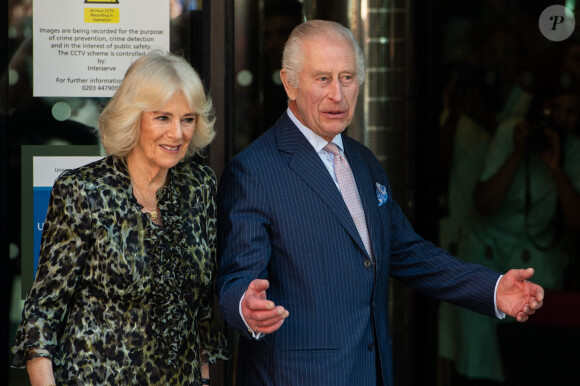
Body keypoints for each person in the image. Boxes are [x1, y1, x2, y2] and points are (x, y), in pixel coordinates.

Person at [216, 20, 544, 386]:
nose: (337, 95)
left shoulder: (363, 161)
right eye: (322, 79)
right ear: (289, 83)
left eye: (347, 78)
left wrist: (495, 289)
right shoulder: (253, 170)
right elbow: (236, 277)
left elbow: (410, 254)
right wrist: (246, 307)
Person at [10, 51, 229, 385]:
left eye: (188, 118)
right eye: (162, 118)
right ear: (133, 117)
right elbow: (43, 313)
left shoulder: (198, 187)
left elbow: (199, 313)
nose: (178, 133)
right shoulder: (82, 190)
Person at [444, 82, 580, 384]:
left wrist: (556, 169)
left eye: (571, 112)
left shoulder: (572, 148)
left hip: (537, 263)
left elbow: (575, 221)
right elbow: (484, 203)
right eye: (553, 109)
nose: (559, 118)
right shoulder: (510, 132)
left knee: (534, 364)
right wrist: (518, 152)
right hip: (488, 254)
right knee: (480, 363)